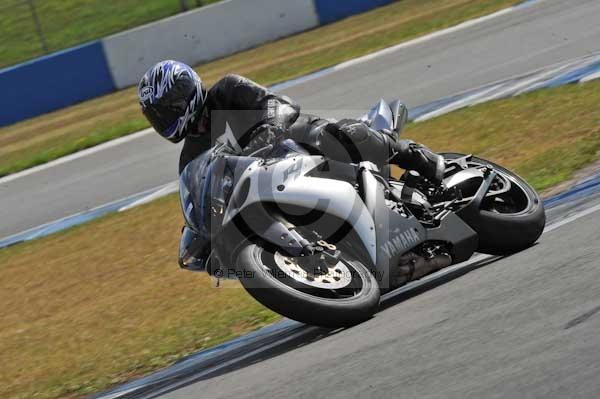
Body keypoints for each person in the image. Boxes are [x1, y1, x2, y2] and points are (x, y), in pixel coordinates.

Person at [138, 60, 444, 182]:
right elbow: (203, 192)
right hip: (269, 183)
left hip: (300, 143)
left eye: (166, 110)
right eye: (157, 117)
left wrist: (265, 133)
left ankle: (410, 153)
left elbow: (280, 105)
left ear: (183, 95)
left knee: (340, 133)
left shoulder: (228, 90)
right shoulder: (190, 156)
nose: (163, 120)